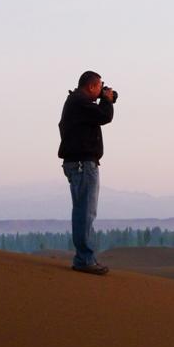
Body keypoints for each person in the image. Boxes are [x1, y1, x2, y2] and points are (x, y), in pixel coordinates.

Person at [58, 71, 117, 275]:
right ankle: (84, 260)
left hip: (78, 163)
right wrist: (108, 100)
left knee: (83, 211)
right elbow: (104, 116)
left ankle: (84, 258)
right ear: (92, 86)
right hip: (83, 164)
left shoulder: (75, 102)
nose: (101, 90)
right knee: (86, 213)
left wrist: (104, 99)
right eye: (99, 87)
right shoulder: (80, 102)